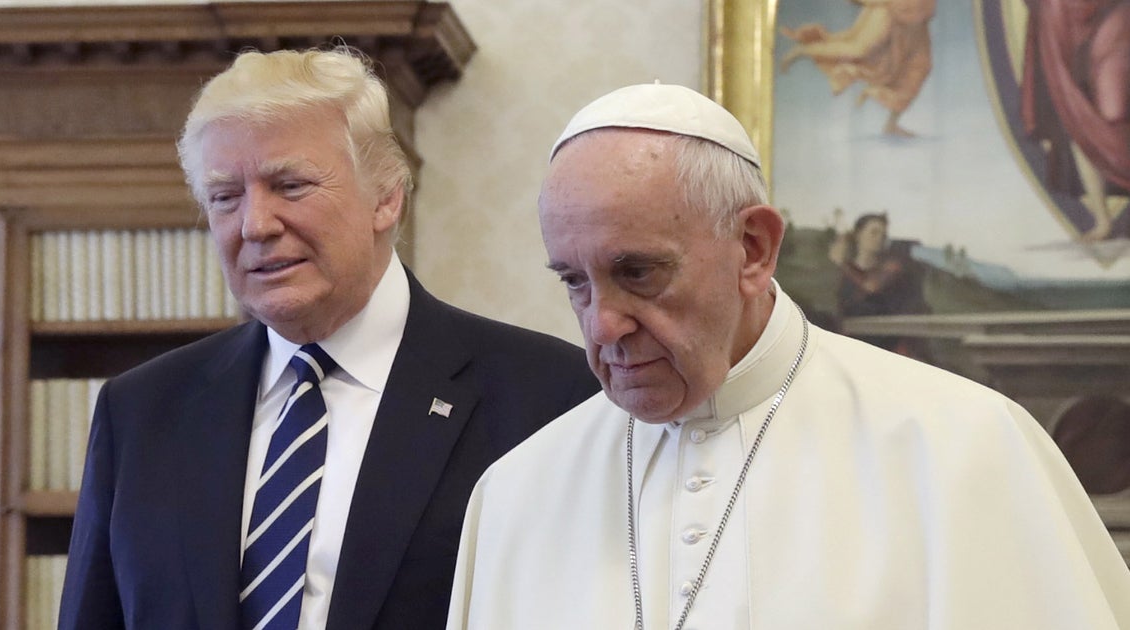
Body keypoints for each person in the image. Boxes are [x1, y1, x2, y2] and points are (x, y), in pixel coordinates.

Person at [446, 83, 1130, 629]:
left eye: (638, 272)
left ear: (753, 248)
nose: (603, 325)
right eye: (573, 281)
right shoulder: (516, 493)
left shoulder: (963, 449)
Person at [57, 48, 598, 630]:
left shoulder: (547, 399)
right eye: (224, 197)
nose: (255, 225)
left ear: (387, 197)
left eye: (290, 185)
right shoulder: (141, 412)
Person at [1020, 0, 1130, 241]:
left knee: (1114, 113)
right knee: (1077, 120)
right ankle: (1102, 221)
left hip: (1114, 18)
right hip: (1065, 24)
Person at [780, 0, 936, 137]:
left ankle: (891, 123)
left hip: (918, 13)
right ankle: (804, 50)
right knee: (859, 49)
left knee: (919, 66)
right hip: (890, 6)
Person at [829, 212, 930, 357]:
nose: (879, 238)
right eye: (874, 232)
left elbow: (871, 287)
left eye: (883, 235)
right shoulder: (846, 272)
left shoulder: (892, 268)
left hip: (886, 348)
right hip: (852, 346)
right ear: (858, 235)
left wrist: (842, 264)